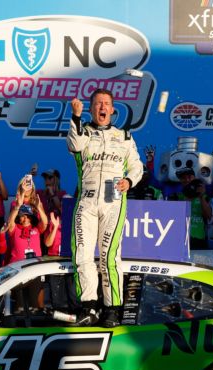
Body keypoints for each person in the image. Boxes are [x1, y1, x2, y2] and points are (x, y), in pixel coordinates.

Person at [67, 89, 143, 327]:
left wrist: (129, 181)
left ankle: (112, 309)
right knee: (82, 255)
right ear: (91, 108)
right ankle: (88, 306)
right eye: (98, 103)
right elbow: (75, 146)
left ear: (112, 109)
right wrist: (76, 117)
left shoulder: (125, 136)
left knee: (109, 257)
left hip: (113, 201)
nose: (102, 107)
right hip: (86, 201)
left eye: (106, 103)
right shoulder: (83, 131)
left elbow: (136, 166)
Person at [168, 167, 212, 249]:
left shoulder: (204, 197)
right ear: (180, 180)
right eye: (183, 178)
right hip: (179, 240)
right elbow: (172, 218)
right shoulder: (175, 196)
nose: (187, 180)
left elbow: (208, 216)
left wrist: (201, 196)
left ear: (194, 178)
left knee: (200, 262)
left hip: (199, 240)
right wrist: (188, 196)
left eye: (189, 177)